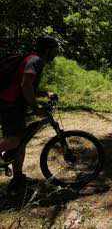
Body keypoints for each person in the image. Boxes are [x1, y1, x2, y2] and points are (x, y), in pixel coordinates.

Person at [0, 36, 59, 193]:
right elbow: (25, 84)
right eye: (55, 49)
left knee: (21, 142)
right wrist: (35, 107)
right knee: (14, 140)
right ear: (48, 49)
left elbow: (27, 85)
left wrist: (45, 93)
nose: (56, 53)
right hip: (10, 104)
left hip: (13, 103)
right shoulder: (36, 61)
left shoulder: (32, 58)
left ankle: (17, 178)